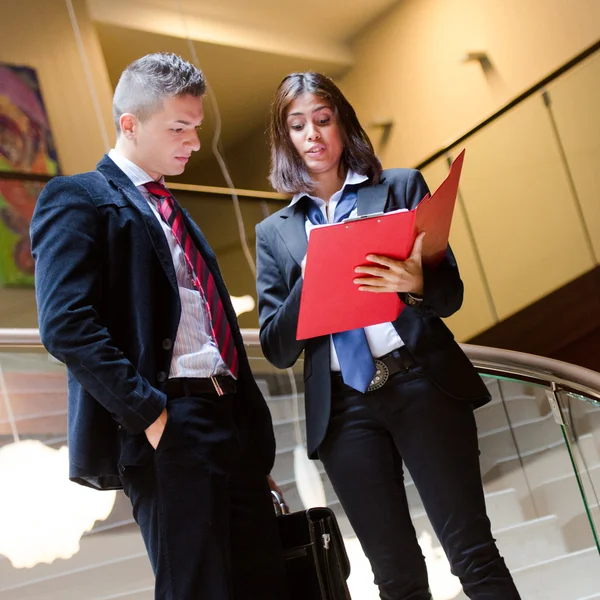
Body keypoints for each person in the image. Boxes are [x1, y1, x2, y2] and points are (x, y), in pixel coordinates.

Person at [255, 71, 521, 600]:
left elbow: (450, 296)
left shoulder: (399, 187)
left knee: (473, 553)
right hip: (345, 411)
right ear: (285, 138)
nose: (313, 135)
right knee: (396, 579)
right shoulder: (275, 233)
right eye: (299, 125)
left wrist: (416, 282)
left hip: (421, 382)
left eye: (323, 120)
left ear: (342, 124)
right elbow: (276, 347)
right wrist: (310, 283)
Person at [31, 53, 287, 600]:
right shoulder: (77, 197)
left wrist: (242, 431)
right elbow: (65, 324)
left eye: (196, 129)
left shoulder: (174, 208)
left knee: (267, 585)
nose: (193, 143)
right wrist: (151, 416)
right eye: (178, 128)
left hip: (231, 425)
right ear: (130, 124)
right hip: (170, 424)